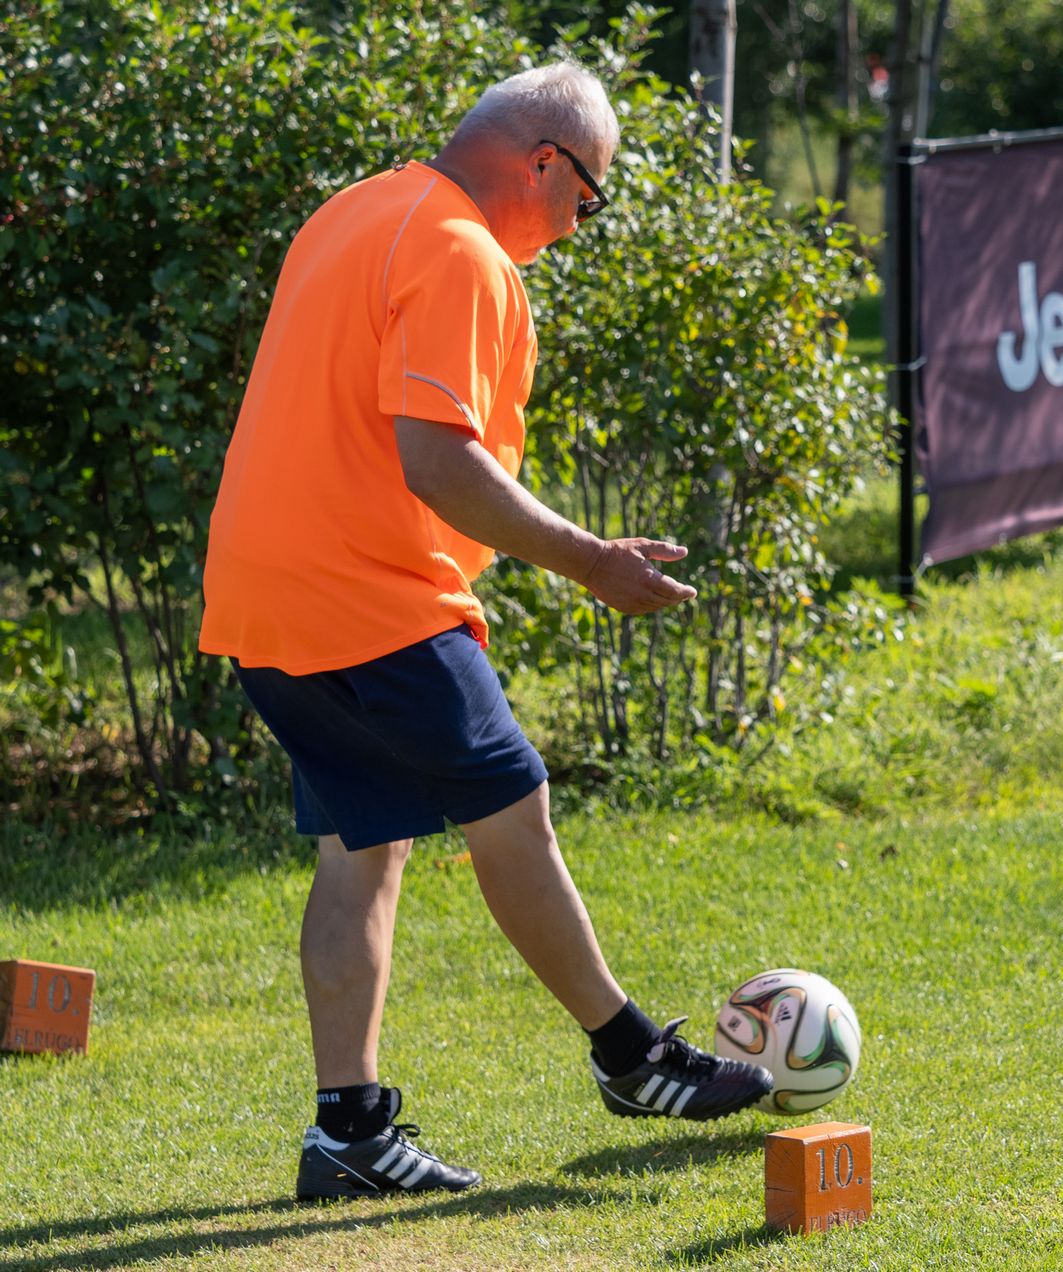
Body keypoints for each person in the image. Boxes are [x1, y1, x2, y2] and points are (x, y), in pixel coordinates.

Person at [199, 61, 773, 1202]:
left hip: (262, 597)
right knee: (514, 811)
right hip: (369, 599)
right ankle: (632, 1060)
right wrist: (591, 563)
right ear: (543, 162)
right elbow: (437, 458)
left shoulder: (356, 209)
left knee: (361, 852)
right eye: (588, 199)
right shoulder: (461, 248)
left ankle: (347, 1135)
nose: (578, 225)